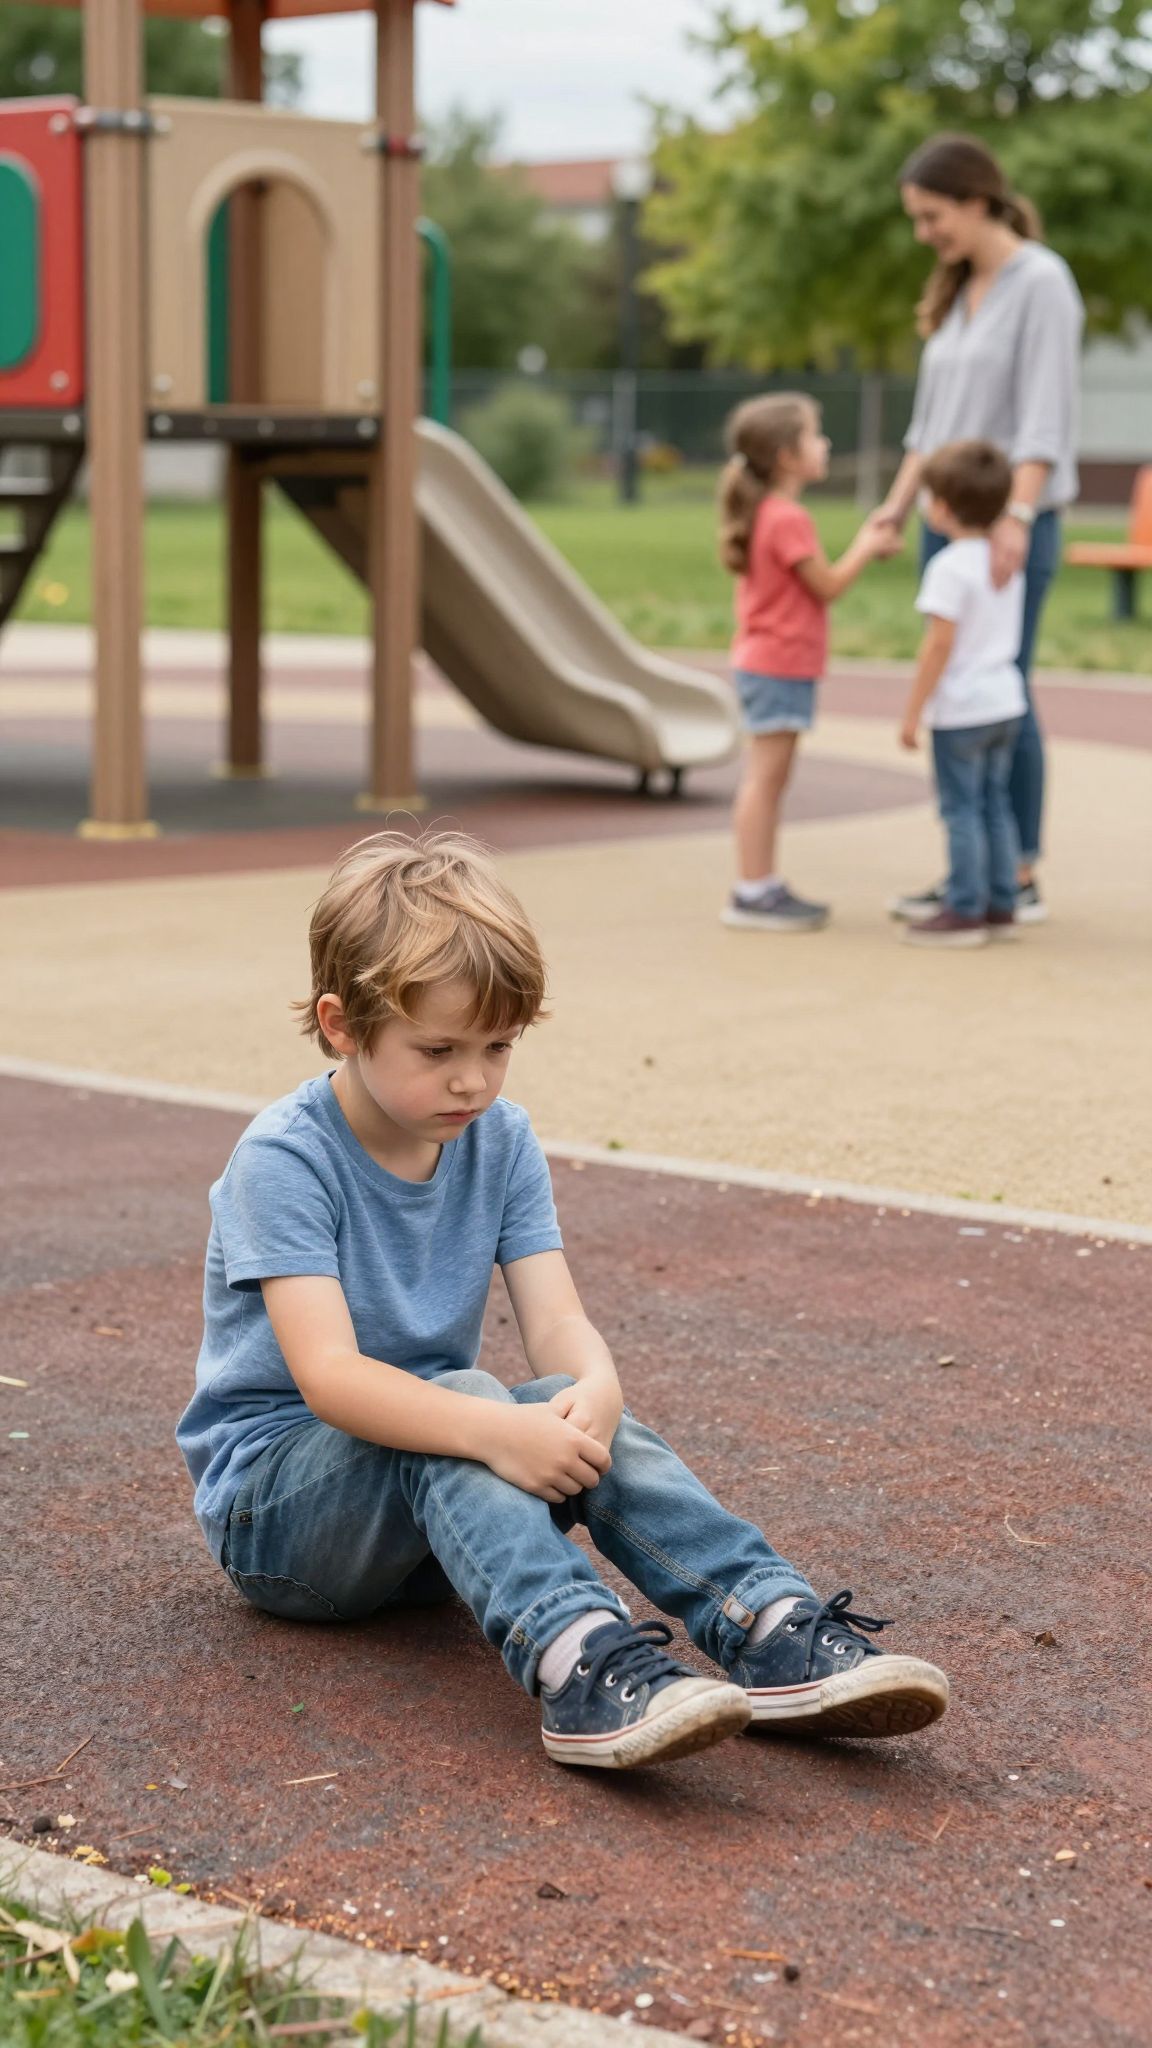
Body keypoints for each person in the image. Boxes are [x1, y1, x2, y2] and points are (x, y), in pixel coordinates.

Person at [176, 830, 950, 1770]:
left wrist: (596, 1388)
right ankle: (578, 1662)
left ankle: (766, 1622)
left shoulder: (498, 1139)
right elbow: (332, 1379)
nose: (473, 1078)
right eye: (438, 1048)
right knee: (475, 1399)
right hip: (284, 1521)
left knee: (557, 1407)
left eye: (498, 1045)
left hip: (442, 1509)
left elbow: (556, 1322)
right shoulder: (285, 1159)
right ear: (341, 1026)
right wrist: (498, 1428)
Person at [877, 133, 1084, 926]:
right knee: (961, 697)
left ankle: (1018, 869)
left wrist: (1018, 516)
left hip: (1010, 527)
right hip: (946, 522)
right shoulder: (958, 292)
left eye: (933, 216)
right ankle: (974, 868)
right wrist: (897, 505)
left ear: (976, 198)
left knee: (1004, 688)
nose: (925, 233)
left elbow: (1045, 416)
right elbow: (928, 430)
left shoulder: (1042, 282)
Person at [718, 393, 898, 932]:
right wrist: (866, 544)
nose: (826, 444)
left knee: (771, 779)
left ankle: (763, 883)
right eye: (815, 436)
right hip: (777, 665)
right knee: (766, 780)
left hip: (773, 662)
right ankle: (752, 891)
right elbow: (829, 585)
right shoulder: (788, 517)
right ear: (786, 456)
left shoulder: (767, 513)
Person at [898, 441, 1026, 949]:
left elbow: (939, 644)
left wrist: (913, 713)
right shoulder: (1003, 561)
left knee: (960, 810)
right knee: (996, 802)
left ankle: (964, 908)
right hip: (1005, 701)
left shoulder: (949, 567)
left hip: (962, 709)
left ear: (943, 507)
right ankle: (1001, 901)